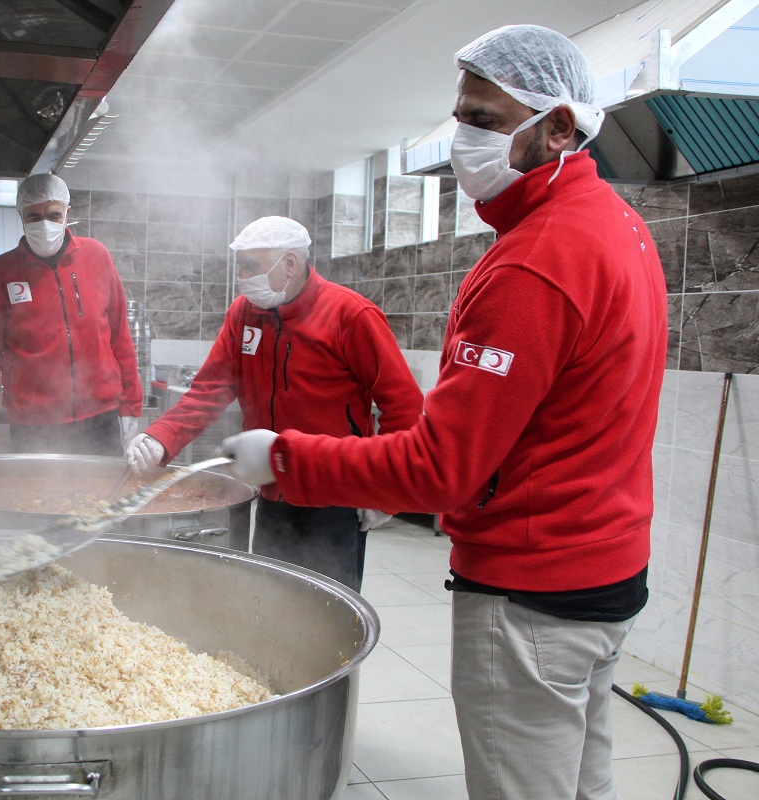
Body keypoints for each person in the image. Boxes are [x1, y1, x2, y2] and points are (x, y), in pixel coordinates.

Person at [220, 25, 667, 800]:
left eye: (486, 121)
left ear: (559, 125)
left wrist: (284, 457)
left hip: (532, 589)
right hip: (604, 568)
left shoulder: (537, 260)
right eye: (461, 117)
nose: (463, 140)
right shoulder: (615, 224)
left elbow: (441, 467)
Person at [126, 216, 423, 592]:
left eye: (251, 267)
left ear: (290, 263)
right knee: (268, 600)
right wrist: (159, 437)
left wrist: (387, 488)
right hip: (270, 490)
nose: (241, 277)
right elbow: (208, 391)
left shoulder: (350, 315)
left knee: (325, 614)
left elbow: (405, 406)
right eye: (240, 266)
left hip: (335, 496)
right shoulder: (243, 314)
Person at [0, 173, 142, 457]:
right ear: (20, 216)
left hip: (99, 418)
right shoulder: (1, 272)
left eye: (53, 215)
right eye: (33, 216)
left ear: (67, 213)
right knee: (39, 500)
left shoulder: (96, 256)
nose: (44, 224)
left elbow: (120, 335)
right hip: (34, 425)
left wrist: (131, 405)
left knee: (101, 499)